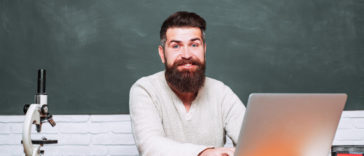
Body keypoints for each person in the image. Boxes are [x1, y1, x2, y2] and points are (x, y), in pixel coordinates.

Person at [129, 11, 246, 156]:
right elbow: (150, 145)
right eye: (176, 46)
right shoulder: (145, 89)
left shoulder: (221, 92)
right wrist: (205, 153)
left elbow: (251, 139)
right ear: (162, 54)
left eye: (194, 45)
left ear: (204, 49)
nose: (186, 54)